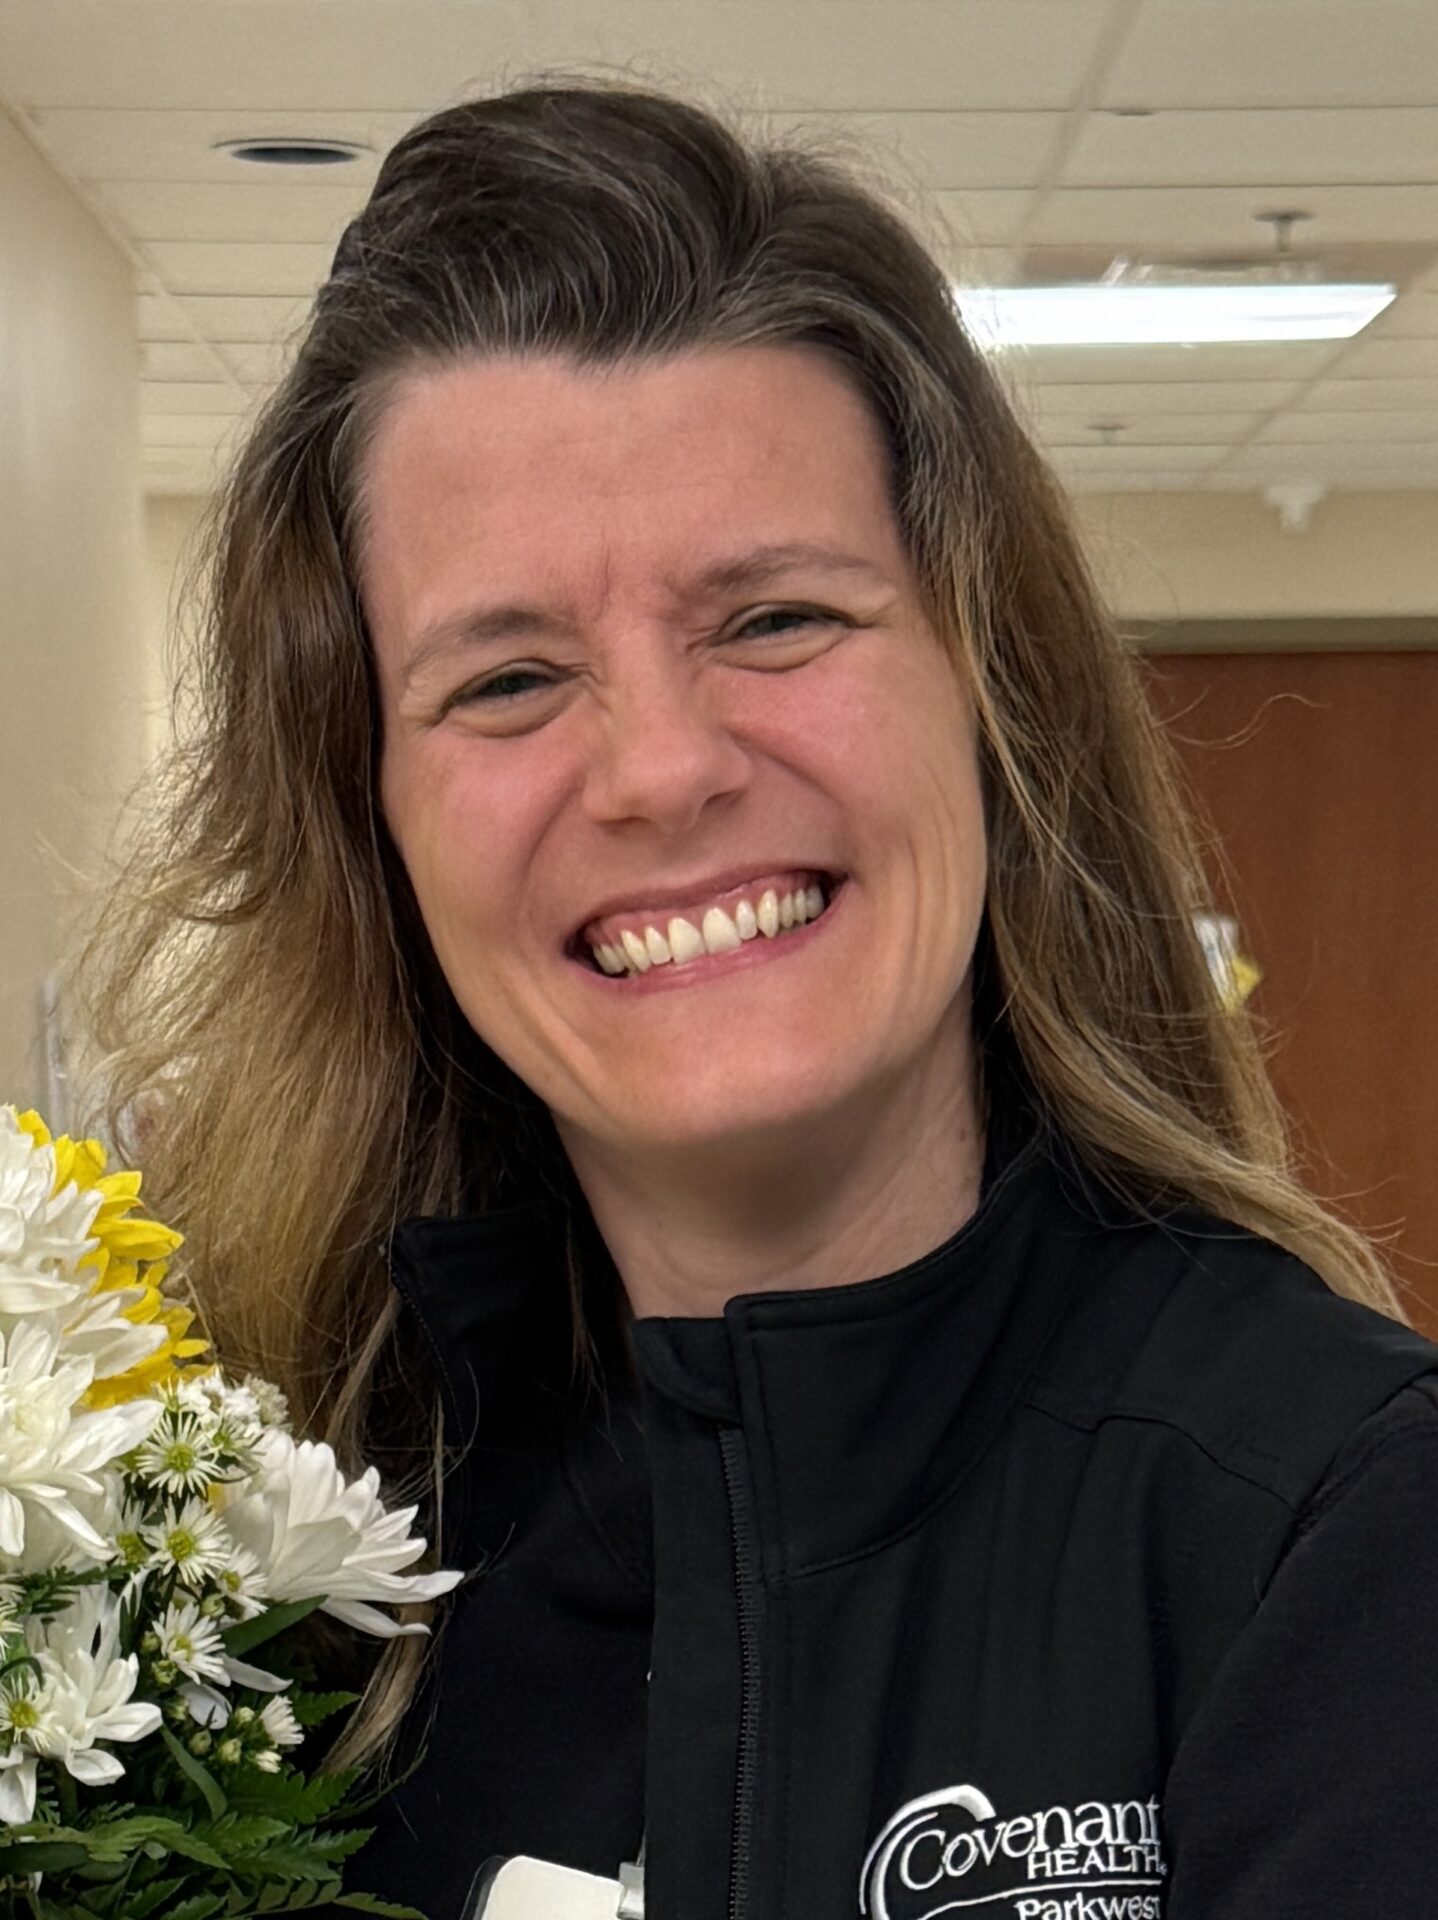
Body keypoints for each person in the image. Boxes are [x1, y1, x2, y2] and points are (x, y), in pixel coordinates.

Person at [79, 77, 1438, 1920]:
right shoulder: (258, 1592)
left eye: (775, 620)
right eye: (505, 680)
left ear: (989, 691)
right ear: (370, 817)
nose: (658, 770)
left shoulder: (1336, 1530)